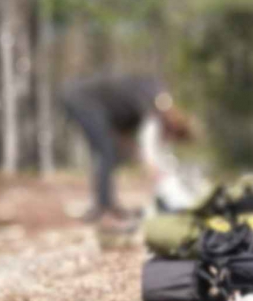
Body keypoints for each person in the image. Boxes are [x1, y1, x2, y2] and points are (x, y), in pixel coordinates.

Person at [60, 74, 191, 222]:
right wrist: (152, 166)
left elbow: (125, 138)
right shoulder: (154, 103)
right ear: (169, 126)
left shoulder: (153, 99)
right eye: (169, 136)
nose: (167, 139)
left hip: (89, 102)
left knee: (108, 152)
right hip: (81, 98)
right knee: (106, 152)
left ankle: (106, 204)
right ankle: (104, 208)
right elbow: (147, 142)